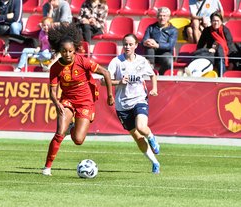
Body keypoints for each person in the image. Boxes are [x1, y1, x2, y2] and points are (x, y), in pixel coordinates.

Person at [42, 23, 114, 176]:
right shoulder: (55, 68)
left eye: (70, 51)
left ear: (75, 49)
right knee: (59, 133)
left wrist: (109, 95)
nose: (67, 54)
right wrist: (56, 104)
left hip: (86, 102)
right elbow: (52, 92)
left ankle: (72, 129)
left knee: (78, 140)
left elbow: (106, 73)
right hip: (67, 100)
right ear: (58, 51)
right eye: (64, 51)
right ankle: (47, 167)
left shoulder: (83, 61)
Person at [107, 33, 160, 174]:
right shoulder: (116, 62)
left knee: (141, 127)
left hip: (139, 99)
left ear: (136, 45)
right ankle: (155, 162)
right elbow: (104, 80)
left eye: (131, 44)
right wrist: (119, 82)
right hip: (122, 105)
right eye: (125, 44)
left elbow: (152, 74)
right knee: (137, 137)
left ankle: (152, 138)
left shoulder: (142, 61)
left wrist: (154, 89)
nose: (127, 47)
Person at [196, 11, 237, 76]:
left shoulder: (225, 31)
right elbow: (200, 45)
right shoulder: (206, 31)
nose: (216, 23)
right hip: (211, 54)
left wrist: (232, 62)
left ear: (221, 21)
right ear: (211, 21)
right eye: (214, 21)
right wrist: (207, 51)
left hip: (223, 56)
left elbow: (230, 47)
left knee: (219, 51)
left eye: (218, 21)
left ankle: (222, 77)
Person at [141, 7, 177, 75]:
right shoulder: (151, 27)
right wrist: (147, 42)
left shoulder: (173, 30)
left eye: (164, 16)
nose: (162, 18)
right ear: (157, 17)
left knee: (169, 61)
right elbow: (143, 41)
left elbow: (170, 46)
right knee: (150, 47)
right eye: (160, 15)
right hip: (151, 53)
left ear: (168, 17)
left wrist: (157, 45)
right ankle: (151, 69)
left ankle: (160, 74)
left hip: (165, 53)